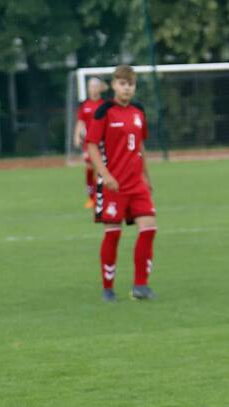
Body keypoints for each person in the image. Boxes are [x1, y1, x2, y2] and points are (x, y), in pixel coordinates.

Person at [86, 65, 157, 302]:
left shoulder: (139, 112)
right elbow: (92, 145)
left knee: (149, 228)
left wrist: (147, 177)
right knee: (113, 234)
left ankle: (141, 286)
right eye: (123, 84)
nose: (127, 88)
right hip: (113, 185)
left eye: (131, 84)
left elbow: (140, 146)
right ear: (114, 85)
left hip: (136, 184)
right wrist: (105, 175)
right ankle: (108, 288)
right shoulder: (104, 111)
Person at [73, 77, 107, 209]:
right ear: (88, 88)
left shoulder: (104, 105)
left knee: (101, 170)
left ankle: (101, 196)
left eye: (95, 86)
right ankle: (92, 198)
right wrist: (76, 136)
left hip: (102, 143)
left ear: (99, 88)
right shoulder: (84, 106)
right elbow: (81, 122)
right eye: (91, 86)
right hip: (89, 143)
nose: (93, 89)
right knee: (90, 168)